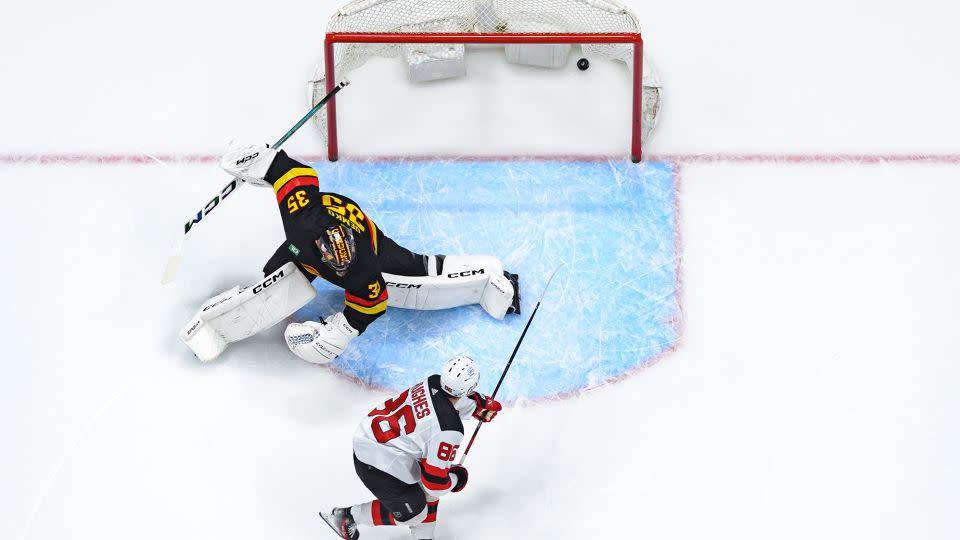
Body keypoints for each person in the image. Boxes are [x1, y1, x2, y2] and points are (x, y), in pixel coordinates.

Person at [179, 144, 520, 363]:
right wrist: (259, 160)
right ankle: (265, 290)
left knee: (414, 268)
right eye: (333, 264)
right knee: (275, 272)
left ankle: (490, 276)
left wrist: (341, 331)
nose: (339, 272)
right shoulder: (303, 220)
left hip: (370, 238)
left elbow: (374, 302)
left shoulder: (362, 267)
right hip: (313, 235)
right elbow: (292, 172)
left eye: (342, 268)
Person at [320, 355, 502, 540]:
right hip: (377, 464)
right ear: (471, 387)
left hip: (370, 438)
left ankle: (423, 537)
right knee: (417, 511)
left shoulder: (432, 381)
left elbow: (442, 402)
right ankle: (347, 516)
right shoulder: (449, 430)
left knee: (428, 474)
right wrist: (457, 478)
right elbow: (436, 485)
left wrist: (476, 406)